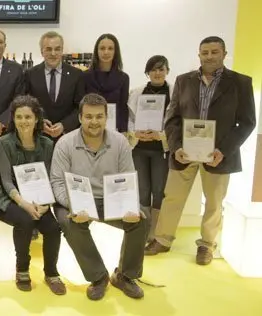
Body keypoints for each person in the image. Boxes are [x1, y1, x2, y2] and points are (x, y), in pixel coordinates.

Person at [145, 36, 256, 265]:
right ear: (199, 55)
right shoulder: (184, 81)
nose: (209, 56)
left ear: (224, 54)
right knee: (172, 197)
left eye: (214, 52)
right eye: (205, 52)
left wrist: (223, 150)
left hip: (218, 154)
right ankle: (162, 239)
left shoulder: (241, 83)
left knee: (214, 201)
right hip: (185, 152)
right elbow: (172, 118)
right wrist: (175, 147)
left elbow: (247, 122)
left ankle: (207, 244)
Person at [51, 93, 147, 300]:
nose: (94, 121)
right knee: (67, 222)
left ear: (106, 117)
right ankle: (98, 277)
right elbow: (57, 184)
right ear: (80, 118)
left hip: (110, 200)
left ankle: (125, 276)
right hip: (75, 200)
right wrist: (74, 206)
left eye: (99, 116)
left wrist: (131, 206)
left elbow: (127, 178)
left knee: (142, 218)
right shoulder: (64, 143)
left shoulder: (120, 142)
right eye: (88, 116)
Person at [0, 95, 65, 294]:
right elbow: (6, 180)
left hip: (40, 200)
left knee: (52, 227)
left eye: (28, 117)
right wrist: (24, 204)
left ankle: (51, 272)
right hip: (10, 198)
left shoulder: (48, 144)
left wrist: (45, 204)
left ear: (36, 119)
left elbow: (50, 178)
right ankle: (22, 269)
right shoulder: (4, 143)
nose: (24, 121)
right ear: (13, 120)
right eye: (19, 117)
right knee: (24, 221)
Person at [127, 55, 172, 242]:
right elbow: (129, 119)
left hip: (161, 150)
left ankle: (156, 233)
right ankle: (144, 231)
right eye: (153, 69)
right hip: (140, 149)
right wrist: (136, 133)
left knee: (159, 191)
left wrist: (160, 135)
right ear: (148, 73)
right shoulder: (137, 93)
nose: (157, 73)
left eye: (161, 69)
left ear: (167, 71)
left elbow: (177, 121)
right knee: (143, 190)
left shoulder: (175, 93)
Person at [25, 31, 85, 140]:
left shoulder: (77, 75)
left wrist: (64, 125)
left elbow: (80, 107)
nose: (53, 53)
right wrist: (39, 122)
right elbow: (27, 105)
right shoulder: (30, 74)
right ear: (41, 51)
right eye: (48, 49)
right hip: (38, 138)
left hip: (68, 137)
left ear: (62, 50)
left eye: (57, 49)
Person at [83, 34, 130, 133]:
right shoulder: (85, 77)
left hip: (115, 132)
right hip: (90, 130)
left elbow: (123, 108)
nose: (106, 52)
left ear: (115, 51)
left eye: (110, 48)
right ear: (97, 51)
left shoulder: (124, 78)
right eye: (102, 48)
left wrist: (124, 132)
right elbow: (81, 107)